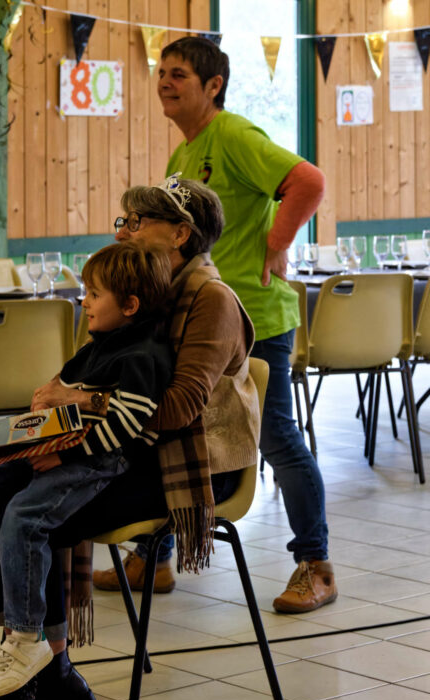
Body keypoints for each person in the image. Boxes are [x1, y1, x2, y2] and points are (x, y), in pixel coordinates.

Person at [95, 36, 333, 614]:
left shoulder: (235, 135)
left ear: (213, 86)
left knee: (276, 438)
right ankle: (155, 556)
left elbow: (308, 181)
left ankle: (315, 564)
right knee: (172, 426)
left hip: (253, 316)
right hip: (192, 317)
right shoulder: (184, 153)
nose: (164, 82)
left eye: (178, 74)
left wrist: (277, 243)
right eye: (161, 72)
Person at [0, 240, 174, 700]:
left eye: (94, 294)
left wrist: (63, 455)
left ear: (130, 306)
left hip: (96, 460)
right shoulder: (100, 343)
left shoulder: (143, 354)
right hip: (61, 445)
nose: (84, 300)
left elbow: (127, 425)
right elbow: (62, 390)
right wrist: (37, 419)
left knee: (23, 517)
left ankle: (28, 639)